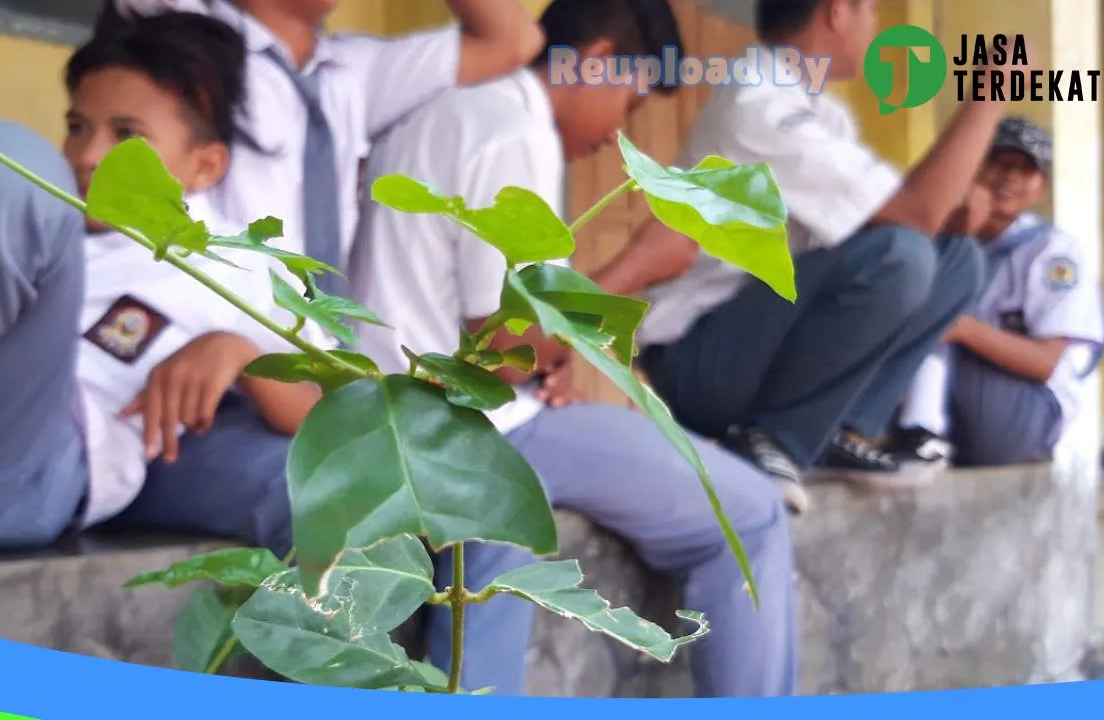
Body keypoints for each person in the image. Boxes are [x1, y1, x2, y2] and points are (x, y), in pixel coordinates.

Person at [348, 0, 797, 698]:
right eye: (630, 95)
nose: (622, 126)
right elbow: (497, 347)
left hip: (400, 408)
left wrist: (551, 359)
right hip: (467, 425)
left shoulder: (449, 109)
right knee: (752, 515)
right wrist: (637, 267)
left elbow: (483, 331)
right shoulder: (510, 128)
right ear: (592, 60)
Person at [0, 12, 321, 555]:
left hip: (3, 482)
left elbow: (330, 417)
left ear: (205, 166)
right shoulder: (49, 229)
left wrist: (241, 353)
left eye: (128, 136)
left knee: (5, 162)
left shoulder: (242, 261)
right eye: (77, 127)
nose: (88, 156)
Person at [590, 0, 1029, 513]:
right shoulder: (758, 103)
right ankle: (772, 439)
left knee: (956, 260)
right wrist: (992, 92)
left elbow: (905, 217)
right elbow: (913, 216)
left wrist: (953, 211)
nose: (875, 28)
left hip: (758, 339)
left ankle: (840, 429)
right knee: (901, 254)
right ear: (839, 10)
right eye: (870, 13)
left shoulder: (822, 110)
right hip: (700, 357)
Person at [108, 0, 545, 298]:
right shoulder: (185, 37)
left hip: (315, 357)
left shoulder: (355, 72)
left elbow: (513, 39)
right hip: (204, 348)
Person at [888, 117, 1104, 468]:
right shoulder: (943, 236)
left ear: (1041, 189)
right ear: (973, 168)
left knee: (937, 323)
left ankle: (920, 433)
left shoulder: (1052, 251)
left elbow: (1044, 363)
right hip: (957, 391)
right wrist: (959, 232)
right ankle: (916, 434)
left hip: (1027, 404)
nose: (1009, 178)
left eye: (1025, 171)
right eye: (998, 164)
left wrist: (961, 328)